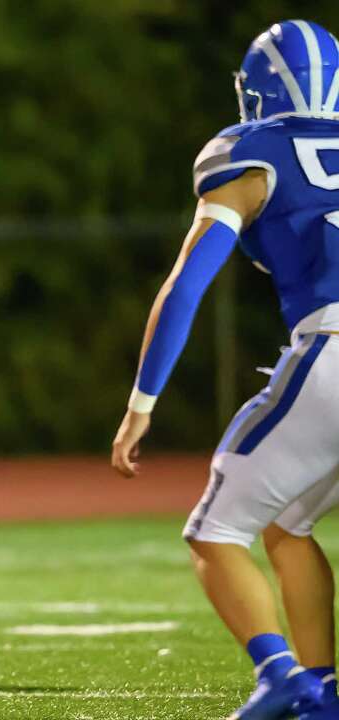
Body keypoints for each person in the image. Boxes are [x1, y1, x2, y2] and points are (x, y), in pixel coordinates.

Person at [111, 19, 339, 720]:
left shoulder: (248, 152)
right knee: (288, 522)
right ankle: (324, 691)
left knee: (215, 531)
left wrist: (142, 401)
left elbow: (186, 286)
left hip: (333, 346)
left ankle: (280, 675)